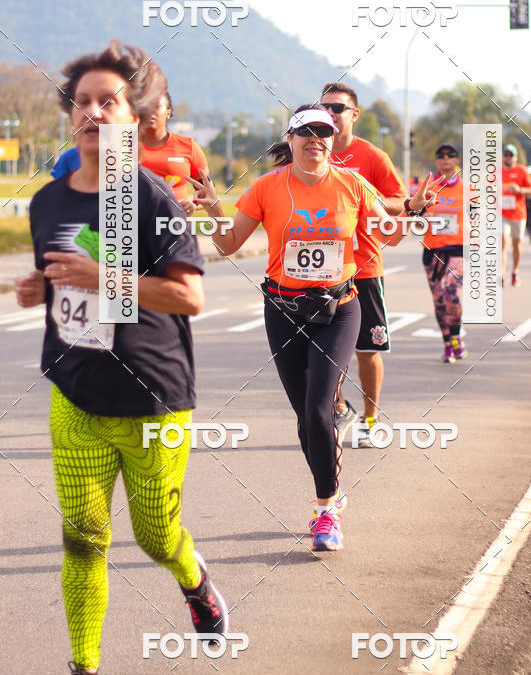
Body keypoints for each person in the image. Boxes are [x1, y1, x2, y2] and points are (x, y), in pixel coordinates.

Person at [15, 41, 227, 674]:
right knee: (82, 537)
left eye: (109, 102)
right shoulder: (47, 202)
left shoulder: (155, 200)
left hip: (153, 399)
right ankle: (85, 664)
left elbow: (189, 295)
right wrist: (40, 287)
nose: (93, 113)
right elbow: (58, 277)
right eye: (82, 102)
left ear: (135, 118)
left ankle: (194, 580)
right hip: (73, 390)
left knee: (156, 536)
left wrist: (101, 276)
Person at [189, 105, 440, 552]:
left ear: (331, 138)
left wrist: (415, 210)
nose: (314, 139)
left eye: (322, 131)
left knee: (320, 410)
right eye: (304, 132)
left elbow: (392, 235)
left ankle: (326, 510)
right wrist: (212, 207)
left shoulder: (352, 184)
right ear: (289, 140)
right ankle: (333, 489)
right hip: (282, 309)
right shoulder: (267, 189)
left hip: (339, 307)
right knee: (306, 419)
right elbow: (227, 244)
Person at [319, 82, 407, 449]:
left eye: (338, 108)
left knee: (366, 351)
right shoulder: (311, 150)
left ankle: (370, 420)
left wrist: (367, 196)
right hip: (319, 271)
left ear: (354, 115)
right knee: (321, 352)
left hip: (364, 268)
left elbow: (402, 200)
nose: (331, 114)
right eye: (324, 107)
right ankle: (339, 408)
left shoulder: (371, 156)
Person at [421, 143, 466, 362]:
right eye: (441, 155)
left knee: (452, 294)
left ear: (456, 160)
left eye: (451, 155)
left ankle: (456, 337)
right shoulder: (426, 187)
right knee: (439, 300)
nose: (446, 158)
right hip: (432, 250)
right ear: (437, 161)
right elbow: (412, 215)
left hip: (457, 249)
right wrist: (423, 219)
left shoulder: (467, 189)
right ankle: (448, 343)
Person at [141, 91, 209, 216]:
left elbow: (209, 194)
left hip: (175, 227)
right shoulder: (120, 146)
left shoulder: (188, 146)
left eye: (157, 106)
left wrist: (193, 204)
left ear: (168, 112)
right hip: (131, 230)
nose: (150, 112)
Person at [501, 144, 531, 287]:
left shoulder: (521, 171)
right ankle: (501, 274)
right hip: (501, 213)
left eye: (511, 155)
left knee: (517, 244)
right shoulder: (496, 171)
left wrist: (520, 189)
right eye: (506, 154)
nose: (508, 157)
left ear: (515, 157)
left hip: (518, 214)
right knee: (503, 242)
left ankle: (515, 271)